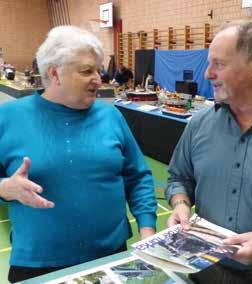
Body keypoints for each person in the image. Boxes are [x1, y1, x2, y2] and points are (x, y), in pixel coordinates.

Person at [0, 25, 157, 282]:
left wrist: (148, 231)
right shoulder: (7, 118)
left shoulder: (111, 116)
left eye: (98, 70)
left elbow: (138, 177)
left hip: (111, 258)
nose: (98, 79)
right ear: (55, 73)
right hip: (38, 265)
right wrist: (6, 187)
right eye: (87, 71)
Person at [165, 21, 252, 284]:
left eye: (218, 64)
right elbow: (178, 178)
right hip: (200, 269)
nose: (207, 73)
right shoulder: (199, 124)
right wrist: (181, 205)